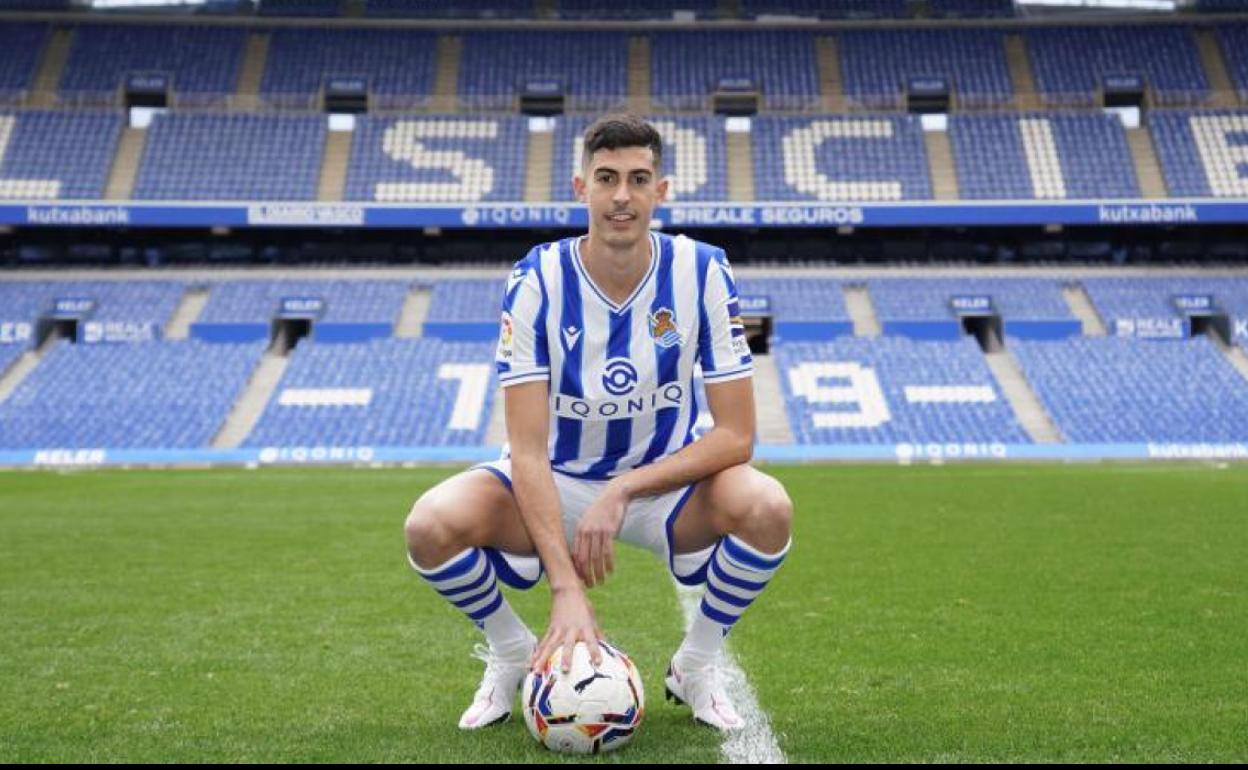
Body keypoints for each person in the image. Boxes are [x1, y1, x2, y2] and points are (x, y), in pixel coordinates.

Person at [403, 114, 792, 732]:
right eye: (606, 178)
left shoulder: (703, 271)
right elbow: (526, 452)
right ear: (580, 186)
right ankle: (511, 653)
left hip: (664, 486)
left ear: (661, 191)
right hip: (553, 480)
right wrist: (565, 590)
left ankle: (696, 662)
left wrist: (625, 489)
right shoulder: (536, 279)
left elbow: (736, 436)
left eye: (639, 179)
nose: (621, 197)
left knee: (768, 506)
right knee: (430, 525)